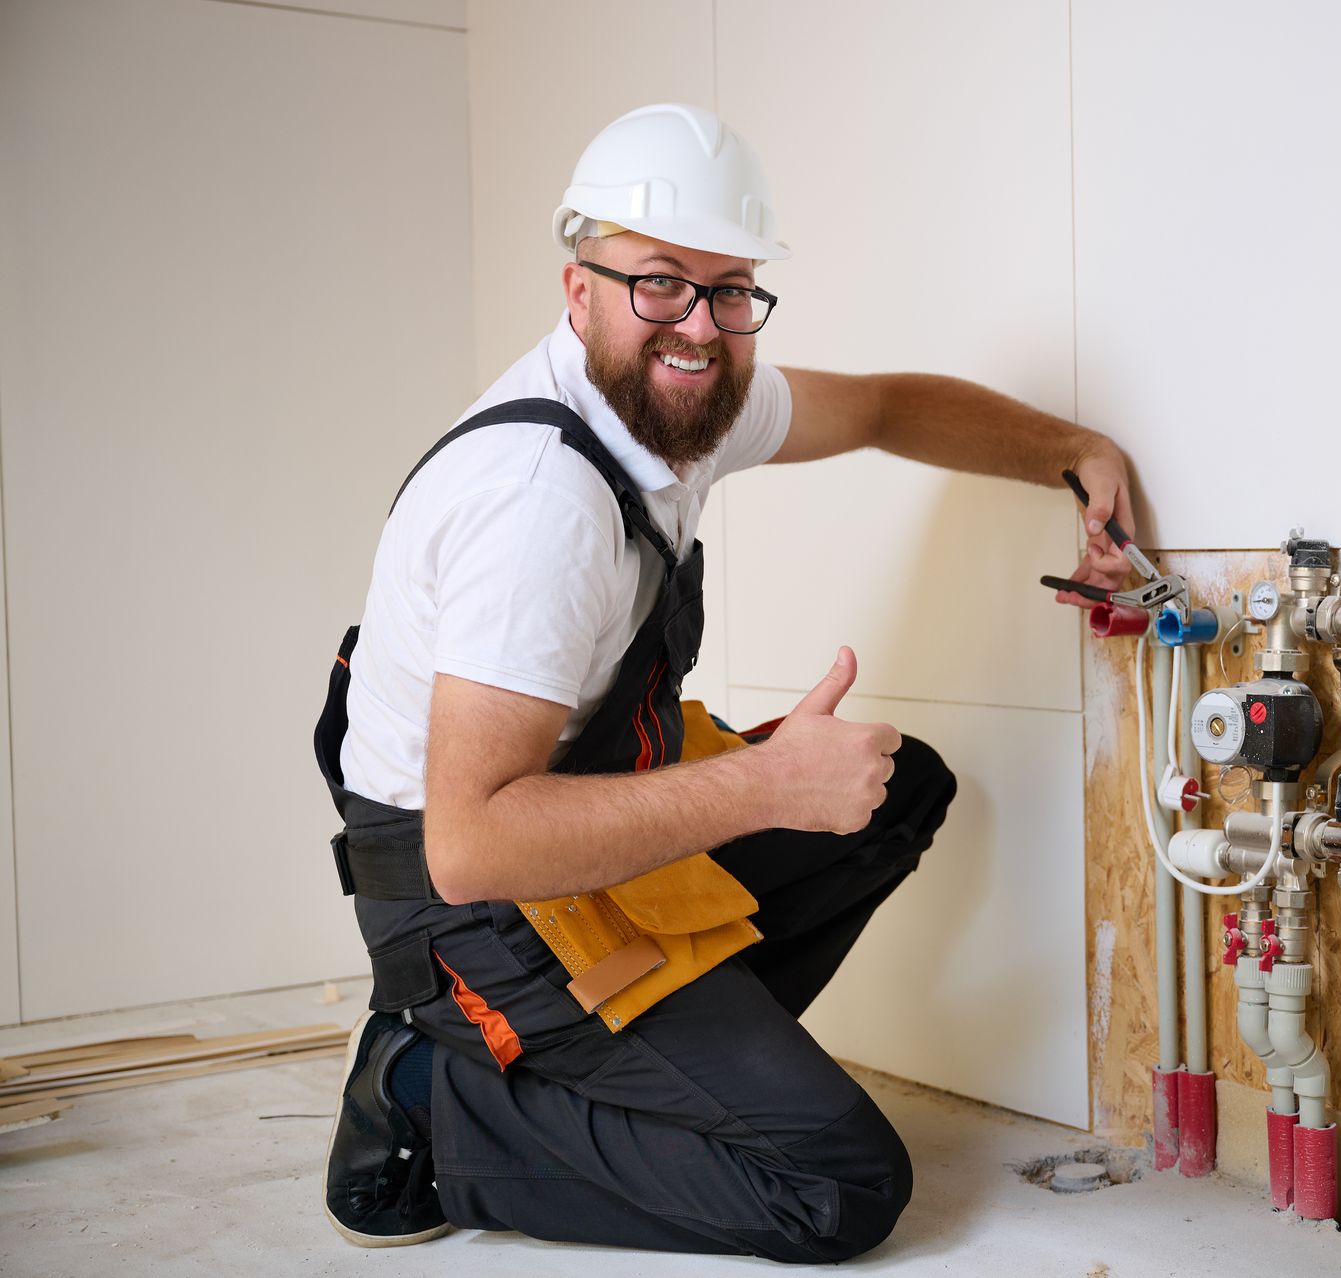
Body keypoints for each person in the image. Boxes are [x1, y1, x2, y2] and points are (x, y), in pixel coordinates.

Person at [314, 103, 1138, 1261]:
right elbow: (473, 842)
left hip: (554, 838)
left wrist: (1079, 452)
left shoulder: (682, 398)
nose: (698, 325)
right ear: (579, 287)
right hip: (468, 908)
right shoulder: (539, 504)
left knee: (893, 790)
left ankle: (640, 1067)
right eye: (660, 282)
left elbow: (891, 408)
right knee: (833, 1188)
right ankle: (436, 1095)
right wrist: (765, 790)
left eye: (730, 287)